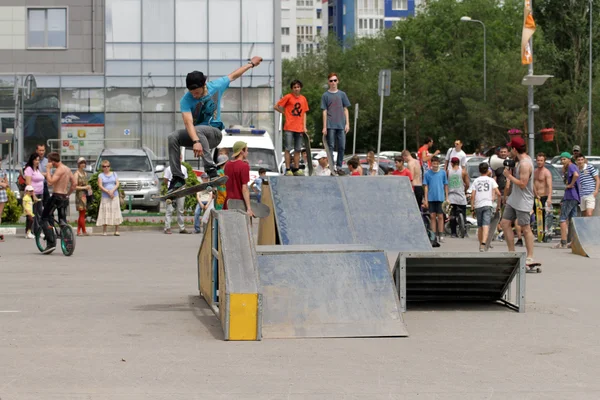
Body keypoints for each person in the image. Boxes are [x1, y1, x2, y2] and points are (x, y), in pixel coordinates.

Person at [166, 56, 263, 194]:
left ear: (204, 85)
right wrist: (196, 141)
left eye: (197, 93)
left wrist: (251, 64)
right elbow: (188, 122)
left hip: (214, 134)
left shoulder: (216, 86)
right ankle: (178, 177)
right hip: (197, 137)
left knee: (198, 129)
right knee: (173, 137)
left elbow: (234, 75)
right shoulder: (185, 100)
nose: (194, 96)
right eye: (192, 93)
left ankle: (211, 170)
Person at [500, 137, 535, 263]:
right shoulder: (518, 161)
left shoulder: (525, 164)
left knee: (525, 228)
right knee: (504, 223)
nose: (509, 151)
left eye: (511, 149)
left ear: (515, 149)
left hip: (523, 200)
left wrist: (508, 176)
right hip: (514, 198)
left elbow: (522, 184)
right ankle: (512, 252)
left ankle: (530, 256)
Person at [41, 152, 77, 253]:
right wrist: (68, 194)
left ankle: (50, 243)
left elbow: (50, 182)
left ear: (52, 162)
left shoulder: (59, 169)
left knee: (44, 218)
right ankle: (67, 243)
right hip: (64, 197)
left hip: (56, 196)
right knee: (62, 221)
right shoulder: (67, 169)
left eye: (49, 162)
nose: (48, 164)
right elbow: (74, 184)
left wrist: (48, 169)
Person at [275, 80, 309, 176]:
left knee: (298, 149)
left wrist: (304, 126)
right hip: (289, 127)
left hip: (299, 127)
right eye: (294, 87)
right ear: (292, 88)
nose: (296, 89)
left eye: (298, 87)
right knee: (288, 148)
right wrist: (284, 112)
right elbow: (276, 106)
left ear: (300, 88)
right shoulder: (288, 97)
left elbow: (304, 112)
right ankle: (288, 168)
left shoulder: (303, 99)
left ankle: (296, 168)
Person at [321, 72, 351, 172]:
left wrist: (347, 123)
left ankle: (339, 166)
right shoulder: (325, 95)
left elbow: (346, 109)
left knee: (342, 146)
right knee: (331, 146)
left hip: (341, 124)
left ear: (337, 81)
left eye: (335, 80)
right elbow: (324, 111)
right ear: (328, 82)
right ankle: (332, 165)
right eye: (331, 81)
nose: (333, 82)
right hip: (330, 124)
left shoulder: (342, 94)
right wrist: (324, 127)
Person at [470, 162, 501, 251]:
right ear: (487, 170)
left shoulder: (476, 180)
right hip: (487, 204)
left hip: (478, 205)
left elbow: (472, 195)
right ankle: (484, 243)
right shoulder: (491, 180)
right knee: (486, 224)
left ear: (479, 171)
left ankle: (480, 244)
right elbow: (498, 194)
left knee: (480, 226)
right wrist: (498, 205)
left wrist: (472, 207)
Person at [553, 152, 580, 249]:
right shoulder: (572, 167)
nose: (562, 161)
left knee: (563, 218)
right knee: (573, 220)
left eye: (564, 159)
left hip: (570, 195)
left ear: (569, 159)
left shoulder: (571, 167)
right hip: (575, 196)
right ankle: (572, 242)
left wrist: (570, 184)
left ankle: (563, 242)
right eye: (561, 159)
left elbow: (576, 175)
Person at [224, 141, 254, 217]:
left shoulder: (227, 165)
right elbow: (245, 188)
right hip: (239, 204)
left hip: (228, 203)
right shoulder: (244, 166)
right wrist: (249, 208)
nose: (247, 152)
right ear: (241, 151)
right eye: (246, 150)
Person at [423, 156, 448, 243]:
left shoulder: (442, 173)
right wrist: (426, 199)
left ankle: (441, 234)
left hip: (440, 197)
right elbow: (426, 187)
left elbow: (445, 185)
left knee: (441, 216)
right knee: (432, 216)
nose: (435, 165)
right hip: (431, 198)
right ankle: (433, 235)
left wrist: (447, 198)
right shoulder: (427, 174)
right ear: (431, 163)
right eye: (434, 163)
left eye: (437, 164)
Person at [163, 158, 190, 235]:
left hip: (181, 191)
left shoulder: (184, 168)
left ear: (181, 159)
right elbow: (165, 180)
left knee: (180, 210)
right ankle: (167, 228)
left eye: (179, 158)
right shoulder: (169, 169)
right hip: (171, 191)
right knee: (169, 210)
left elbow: (185, 180)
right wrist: (170, 186)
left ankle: (182, 228)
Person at [96, 160, 123, 236]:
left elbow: (117, 183)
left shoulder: (114, 174)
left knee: (115, 211)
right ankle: (104, 230)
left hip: (114, 195)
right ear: (102, 168)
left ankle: (117, 230)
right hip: (105, 196)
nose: (106, 168)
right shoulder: (101, 175)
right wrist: (108, 192)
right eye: (104, 166)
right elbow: (100, 185)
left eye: (107, 166)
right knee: (105, 212)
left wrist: (112, 191)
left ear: (109, 167)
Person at [447, 156, 470, 238]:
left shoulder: (448, 172)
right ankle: (465, 231)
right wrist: (465, 190)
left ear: (451, 163)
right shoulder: (463, 172)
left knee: (452, 215)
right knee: (463, 215)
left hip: (451, 197)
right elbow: (467, 184)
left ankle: (453, 233)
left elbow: (445, 184)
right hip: (461, 196)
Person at [533, 153, 553, 232]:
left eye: (541, 160)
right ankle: (539, 232)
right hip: (536, 197)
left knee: (544, 217)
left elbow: (549, 186)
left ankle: (545, 233)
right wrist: (535, 194)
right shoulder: (535, 172)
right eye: (538, 160)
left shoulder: (546, 172)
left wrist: (549, 198)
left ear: (544, 161)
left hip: (544, 196)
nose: (539, 162)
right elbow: (533, 184)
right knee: (537, 217)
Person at [24, 153, 45, 221]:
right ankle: (31, 229)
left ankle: (37, 230)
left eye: (38, 160)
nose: (37, 162)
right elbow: (28, 183)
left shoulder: (37, 169)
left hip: (40, 193)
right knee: (32, 213)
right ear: (32, 160)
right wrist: (33, 195)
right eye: (36, 160)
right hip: (33, 194)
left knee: (39, 212)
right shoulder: (29, 169)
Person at [74, 157, 92, 236]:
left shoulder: (85, 173)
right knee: (82, 213)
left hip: (85, 194)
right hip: (80, 194)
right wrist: (84, 187)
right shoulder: (76, 174)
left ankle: (78, 230)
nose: (83, 164)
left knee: (83, 213)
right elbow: (75, 186)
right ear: (78, 164)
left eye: (84, 163)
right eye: (81, 163)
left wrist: (88, 187)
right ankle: (83, 230)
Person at [0, 157, 7, 242]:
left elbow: (6, 183)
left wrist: (3, 182)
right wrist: (1, 182)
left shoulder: (3, 170)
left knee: (0, 214)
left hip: (2, 192)